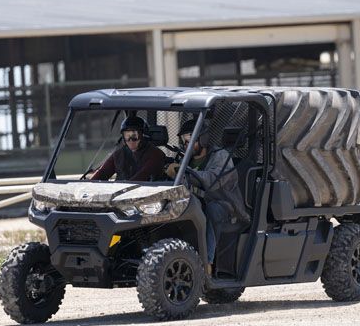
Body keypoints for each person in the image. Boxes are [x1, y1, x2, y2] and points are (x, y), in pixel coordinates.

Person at [167, 119, 249, 270]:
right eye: (184, 140)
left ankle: (207, 264)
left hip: (225, 206)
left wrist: (185, 171)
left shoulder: (221, 156)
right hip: (194, 203)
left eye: (190, 139)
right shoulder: (185, 158)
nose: (187, 144)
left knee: (212, 211)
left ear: (203, 138)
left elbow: (213, 182)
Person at [90, 115, 165, 181]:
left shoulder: (156, 155)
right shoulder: (119, 155)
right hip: (119, 194)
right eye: (127, 136)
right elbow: (102, 173)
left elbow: (141, 178)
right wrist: (89, 186)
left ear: (143, 135)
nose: (130, 140)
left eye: (134, 135)